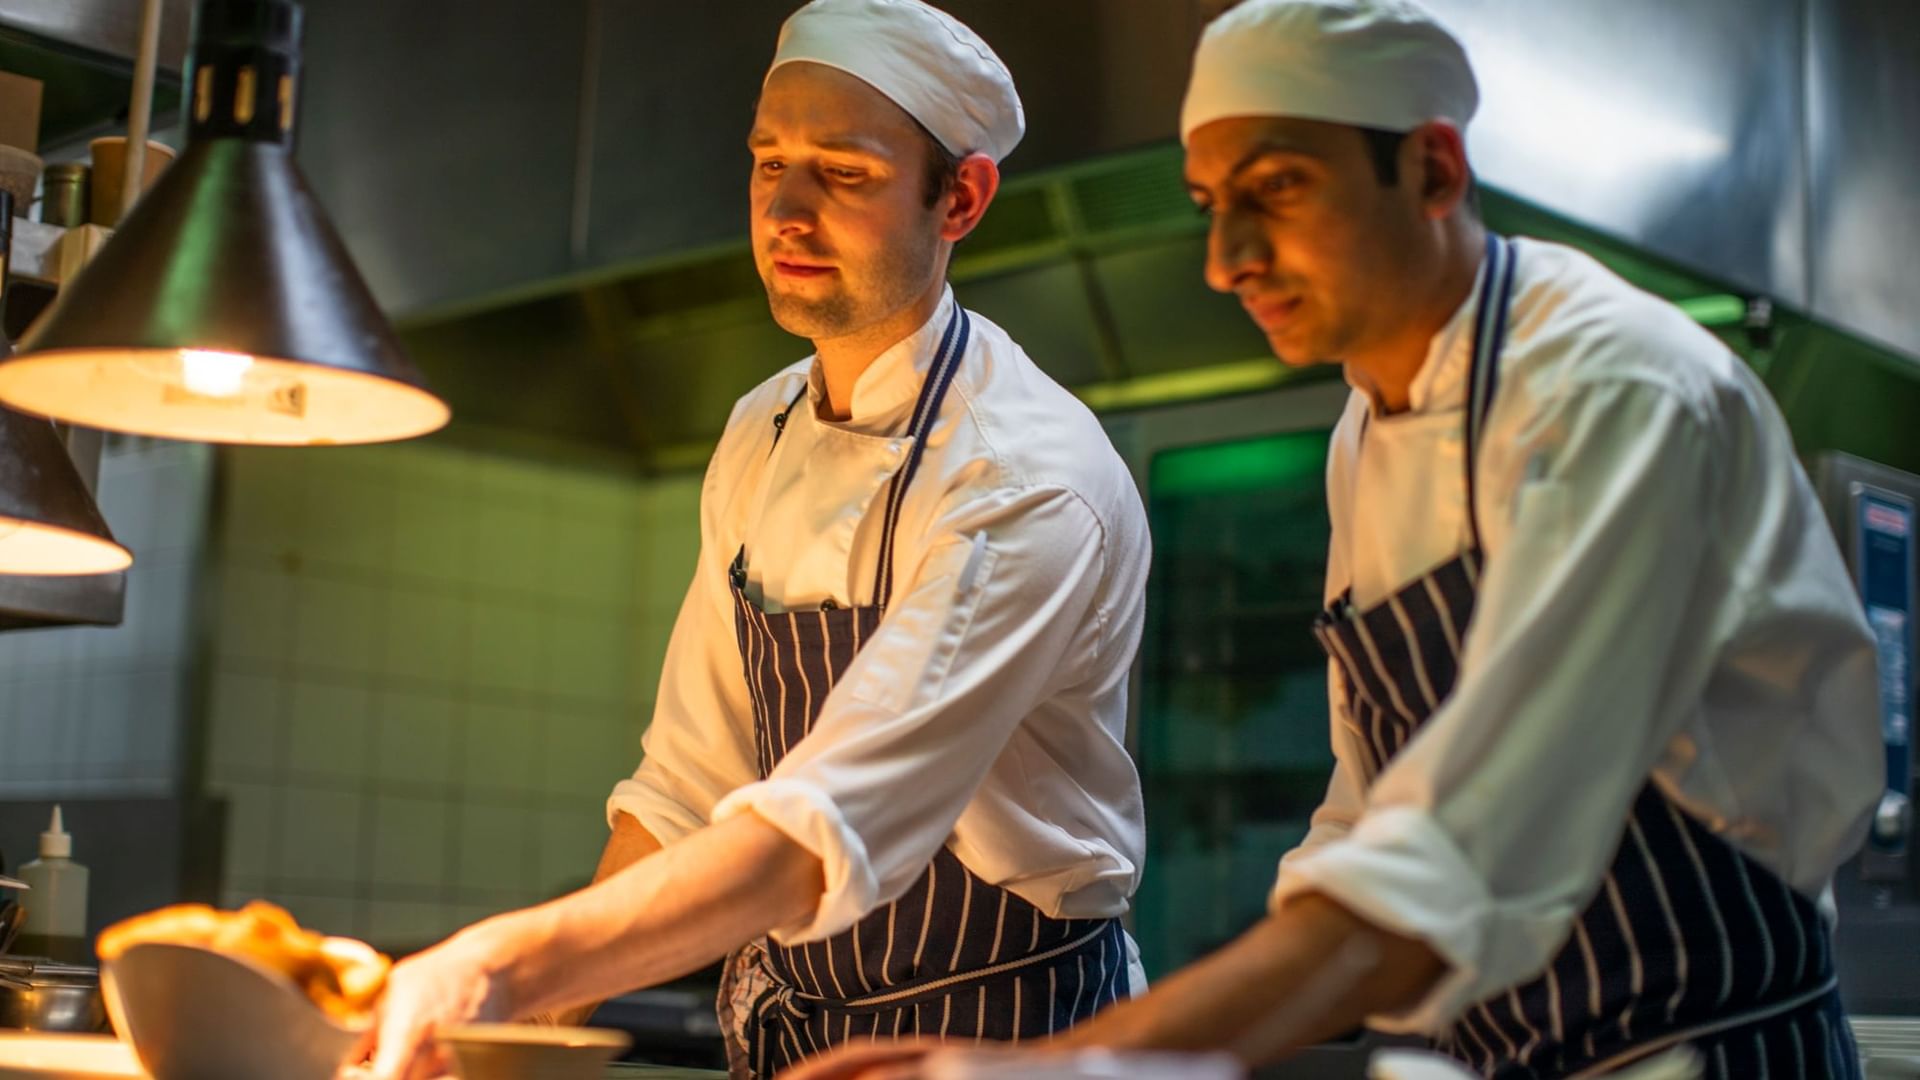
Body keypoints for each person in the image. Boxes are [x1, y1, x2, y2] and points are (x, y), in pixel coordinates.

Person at [789, 1, 1882, 1077]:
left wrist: (1080, 1062)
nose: (1226, 260)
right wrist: (1164, 1040)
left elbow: (1465, 841)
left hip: (1701, 1051)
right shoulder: (1370, 420)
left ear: (1435, 172)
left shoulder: (1615, 396)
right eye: (1212, 203)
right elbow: (1368, 819)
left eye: (1279, 189)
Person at [361, 2, 1150, 1078]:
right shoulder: (761, 428)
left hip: (1004, 1040)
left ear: (959, 198)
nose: (785, 209)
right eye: (767, 162)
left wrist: (510, 963)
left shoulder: (1024, 478)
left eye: (846, 173)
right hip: (793, 1034)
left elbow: (824, 825)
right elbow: (691, 781)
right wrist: (527, 1025)